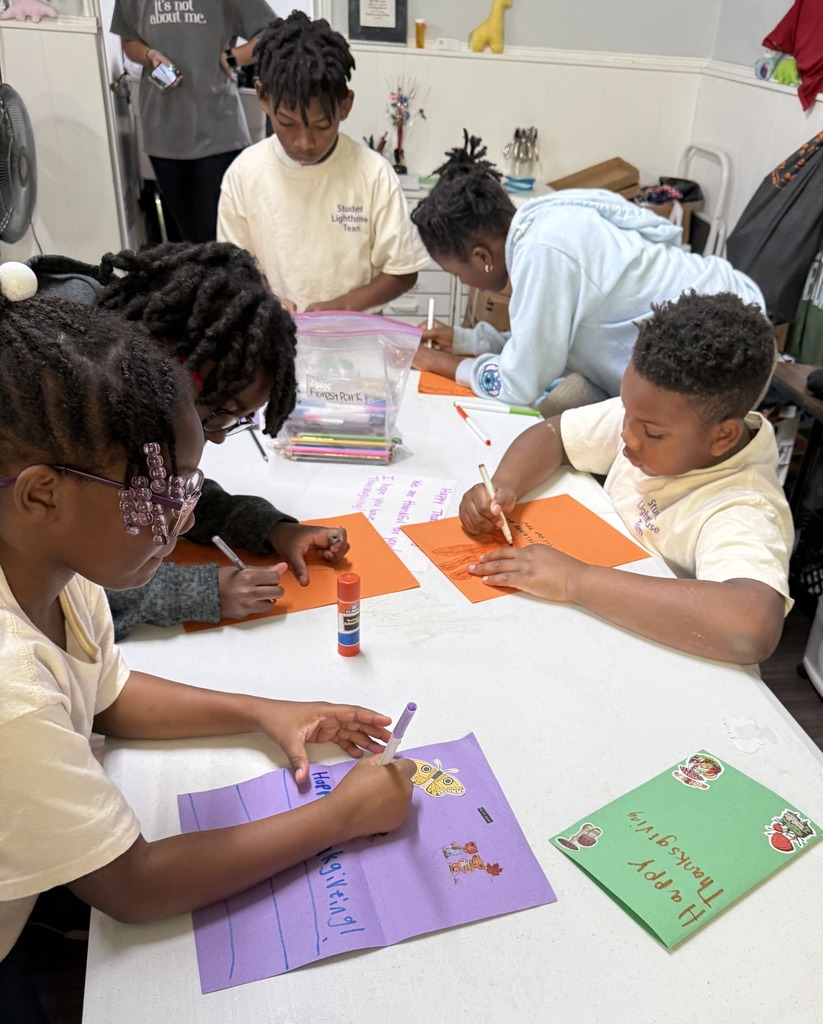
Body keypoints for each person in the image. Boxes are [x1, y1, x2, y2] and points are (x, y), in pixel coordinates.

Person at [0, 288, 415, 1020]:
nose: (179, 518)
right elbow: (133, 886)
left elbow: (109, 691)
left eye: (186, 490)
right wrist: (339, 818)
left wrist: (267, 711)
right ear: (40, 496)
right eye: (155, 496)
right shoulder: (11, 689)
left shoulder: (55, 574)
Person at [458, 292, 792, 665]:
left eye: (651, 433)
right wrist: (505, 484)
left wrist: (576, 581)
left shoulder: (744, 505)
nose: (628, 436)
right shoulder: (652, 415)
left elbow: (749, 628)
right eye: (627, 413)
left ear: (722, 437)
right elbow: (555, 435)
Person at [95, 241, 350, 640]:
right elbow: (60, 585)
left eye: (237, 421)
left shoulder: (130, 399)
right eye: (219, 414)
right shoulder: (65, 423)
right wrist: (199, 592)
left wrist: (270, 529)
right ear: (172, 368)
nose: (214, 438)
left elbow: (160, 489)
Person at [411, 138, 766, 415]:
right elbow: (538, 345)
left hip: (724, 360)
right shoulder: (544, 218)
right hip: (732, 314)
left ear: (481, 257)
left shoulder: (543, 251)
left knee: (549, 436)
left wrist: (443, 364)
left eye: (456, 273)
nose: (462, 282)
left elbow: (519, 383)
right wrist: (465, 341)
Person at [217, 11, 430, 313]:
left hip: (353, 339)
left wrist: (342, 306)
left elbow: (403, 270)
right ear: (264, 98)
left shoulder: (373, 174)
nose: (304, 142)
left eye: (321, 126)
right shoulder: (244, 174)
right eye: (287, 124)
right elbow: (233, 268)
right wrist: (267, 298)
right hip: (274, 335)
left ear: (345, 105)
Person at [110, 0, 275, 243]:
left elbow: (273, 34)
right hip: (163, 129)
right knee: (185, 239)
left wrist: (232, 57)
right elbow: (129, 40)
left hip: (219, 130)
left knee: (217, 239)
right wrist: (148, 55)